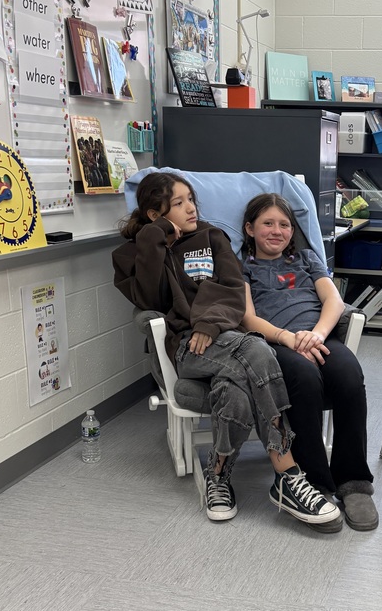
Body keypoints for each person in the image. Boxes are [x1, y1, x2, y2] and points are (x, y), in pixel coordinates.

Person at [112, 171, 341, 531]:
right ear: (155, 215)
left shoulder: (212, 237)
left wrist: (208, 322)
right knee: (257, 352)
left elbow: (233, 289)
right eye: (179, 202)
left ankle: (218, 476)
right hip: (186, 347)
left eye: (191, 199)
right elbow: (149, 298)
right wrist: (155, 240)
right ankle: (288, 474)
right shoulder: (128, 255)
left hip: (222, 336)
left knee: (233, 389)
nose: (191, 207)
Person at [240, 193, 378, 532]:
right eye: (267, 224)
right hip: (275, 343)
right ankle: (314, 483)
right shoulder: (242, 266)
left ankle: (354, 482)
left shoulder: (305, 258)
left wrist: (316, 334)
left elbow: (333, 299)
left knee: (348, 373)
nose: (277, 231)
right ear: (249, 228)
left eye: (284, 224)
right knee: (304, 376)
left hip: (318, 337)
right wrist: (287, 338)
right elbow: (246, 317)